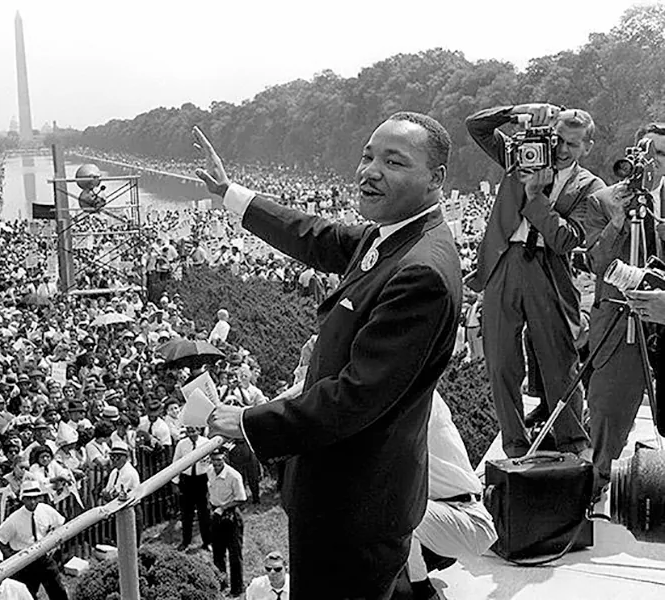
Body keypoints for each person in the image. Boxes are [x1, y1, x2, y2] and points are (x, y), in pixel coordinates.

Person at [195, 110, 461, 600]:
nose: (371, 170)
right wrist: (230, 193)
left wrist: (250, 421)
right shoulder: (394, 235)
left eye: (394, 161)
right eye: (367, 156)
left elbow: (356, 397)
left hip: (355, 505)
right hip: (346, 493)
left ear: (435, 179)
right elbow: (314, 235)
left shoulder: (420, 271)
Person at [465, 103, 604, 459]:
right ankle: (514, 441)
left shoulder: (590, 187)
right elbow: (477, 126)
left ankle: (572, 440)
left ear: (587, 147)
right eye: (558, 139)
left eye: (572, 145)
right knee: (500, 360)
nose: (561, 149)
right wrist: (518, 111)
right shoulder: (521, 155)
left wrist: (535, 197)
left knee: (559, 358)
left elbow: (566, 240)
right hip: (503, 263)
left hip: (548, 269)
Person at [584, 122, 665, 498]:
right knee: (609, 409)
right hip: (620, 320)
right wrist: (619, 220)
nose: (655, 163)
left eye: (663, 155)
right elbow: (597, 262)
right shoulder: (603, 200)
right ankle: (599, 484)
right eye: (650, 153)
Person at [407, 391, 497, 600]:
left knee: (396, 510)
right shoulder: (413, 389)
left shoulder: (418, 402)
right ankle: (428, 559)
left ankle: (423, 592)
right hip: (444, 511)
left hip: (467, 518)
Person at [0, 481, 68, 600]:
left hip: (44, 557)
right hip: (25, 563)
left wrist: (54, 544)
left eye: (35, 498)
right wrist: (10, 556)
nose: (32, 502)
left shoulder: (46, 510)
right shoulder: (14, 519)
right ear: (23, 499)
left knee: (57, 590)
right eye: (28, 499)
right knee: (28, 594)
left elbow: (61, 524)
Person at [207, 447, 246, 597]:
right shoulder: (210, 471)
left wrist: (223, 507)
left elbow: (241, 499)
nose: (216, 463)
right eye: (214, 459)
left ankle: (237, 589)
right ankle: (222, 584)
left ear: (225, 459)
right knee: (218, 553)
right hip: (216, 515)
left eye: (219, 460)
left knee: (234, 554)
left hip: (231, 516)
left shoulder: (234, 476)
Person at [171, 426, 212, 551]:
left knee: (204, 513)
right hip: (187, 480)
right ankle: (186, 541)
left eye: (194, 431)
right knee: (186, 513)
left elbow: (210, 464)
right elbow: (176, 463)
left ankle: (207, 542)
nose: (192, 434)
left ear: (199, 431)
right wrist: (175, 483)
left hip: (202, 480)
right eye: (189, 431)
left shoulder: (206, 443)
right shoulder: (182, 445)